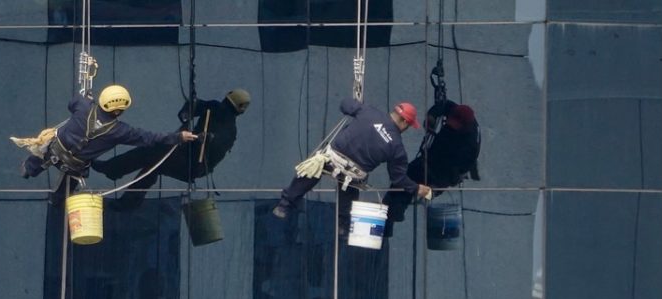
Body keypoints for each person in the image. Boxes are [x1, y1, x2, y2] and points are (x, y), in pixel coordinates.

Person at [273, 98, 433, 229]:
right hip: (353, 175)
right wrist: (417, 188)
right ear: (404, 122)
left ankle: (284, 205)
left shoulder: (369, 111)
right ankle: (342, 226)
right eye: (409, 126)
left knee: (313, 169)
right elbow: (398, 178)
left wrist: (357, 105)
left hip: (332, 159)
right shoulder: (397, 147)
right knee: (349, 186)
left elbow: (344, 104)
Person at [14, 84, 198, 193]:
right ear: (118, 110)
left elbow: (72, 104)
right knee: (67, 188)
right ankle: (57, 199)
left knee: (44, 149)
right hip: (73, 165)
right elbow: (150, 138)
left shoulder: (84, 106)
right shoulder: (120, 131)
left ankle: (29, 168)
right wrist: (178, 137)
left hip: (54, 149)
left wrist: (86, 101)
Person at [91, 89, 249, 209]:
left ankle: (114, 172)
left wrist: (206, 138)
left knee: (153, 154)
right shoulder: (225, 121)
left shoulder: (224, 122)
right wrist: (189, 113)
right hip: (190, 161)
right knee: (154, 162)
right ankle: (122, 191)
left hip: (192, 164)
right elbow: (195, 108)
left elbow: (213, 140)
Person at [383, 102, 480, 235]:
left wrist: (437, 185)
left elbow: (458, 173)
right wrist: (432, 117)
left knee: (404, 187)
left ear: (463, 126)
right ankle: (391, 214)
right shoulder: (458, 111)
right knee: (400, 184)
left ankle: (391, 215)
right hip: (429, 160)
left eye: (454, 125)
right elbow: (444, 105)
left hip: (440, 175)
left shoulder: (469, 147)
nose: (450, 125)